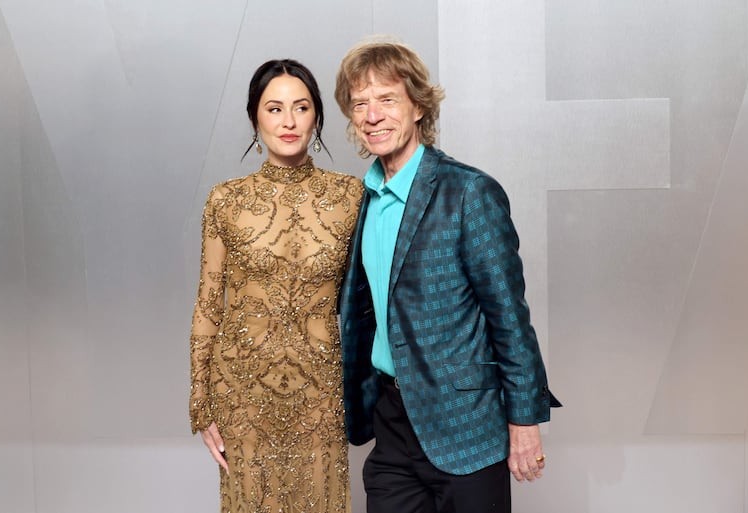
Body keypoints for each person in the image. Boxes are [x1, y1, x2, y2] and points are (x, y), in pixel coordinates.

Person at [334, 40, 560, 513]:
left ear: (417, 105)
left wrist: (523, 422)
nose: (373, 115)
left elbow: (509, 317)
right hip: (392, 423)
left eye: (387, 99)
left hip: (467, 427)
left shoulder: (468, 192)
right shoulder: (364, 200)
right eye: (360, 104)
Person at [189, 59, 363, 513]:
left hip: (322, 392)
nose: (288, 121)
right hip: (241, 391)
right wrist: (202, 399)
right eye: (274, 108)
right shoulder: (225, 200)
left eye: (301, 108)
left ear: (318, 116)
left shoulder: (352, 197)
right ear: (254, 117)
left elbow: (371, 303)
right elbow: (209, 305)